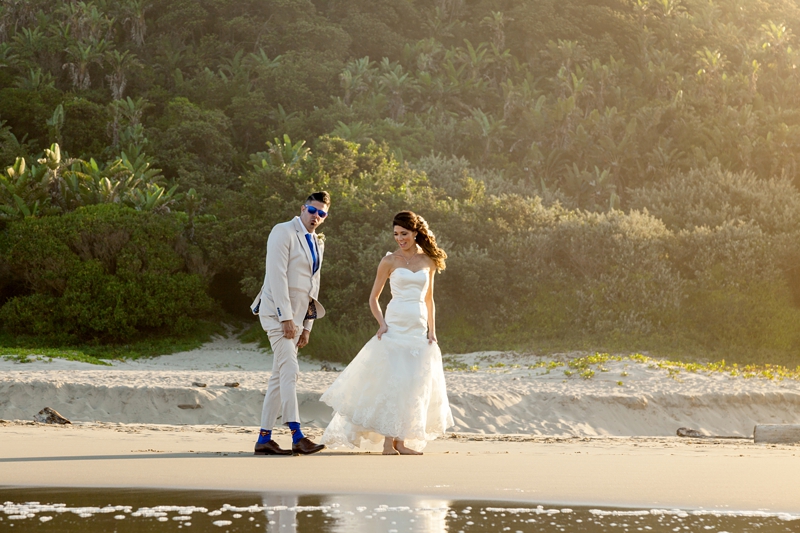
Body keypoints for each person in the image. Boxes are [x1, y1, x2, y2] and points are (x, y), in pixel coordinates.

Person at [320, 211, 454, 455]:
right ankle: (386, 443)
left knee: (412, 385)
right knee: (393, 382)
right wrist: (381, 323)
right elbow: (373, 298)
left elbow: (429, 299)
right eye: (396, 234)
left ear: (415, 233)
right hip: (394, 326)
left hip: (418, 328)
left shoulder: (428, 261)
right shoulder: (389, 261)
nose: (399, 238)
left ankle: (401, 443)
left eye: (404, 234)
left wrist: (432, 331)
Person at [250, 192, 331, 456]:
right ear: (302, 208)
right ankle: (297, 435)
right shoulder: (282, 231)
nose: (316, 217)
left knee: (279, 376)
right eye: (312, 210)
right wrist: (285, 317)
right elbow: (276, 275)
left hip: (297, 318)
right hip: (275, 313)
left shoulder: (317, 242)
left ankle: (264, 439)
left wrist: (307, 326)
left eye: (322, 213)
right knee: (291, 372)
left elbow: (313, 285)